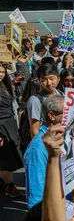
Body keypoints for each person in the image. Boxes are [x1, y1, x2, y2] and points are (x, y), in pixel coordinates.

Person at [23, 96, 65, 208]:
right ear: (52, 115)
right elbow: (36, 196)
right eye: (67, 113)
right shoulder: (37, 149)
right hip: (54, 214)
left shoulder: (64, 137)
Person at [0, 63, 23, 198]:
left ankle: (3, 182)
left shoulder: (5, 85)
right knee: (5, 156)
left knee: (8, 154)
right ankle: (9, 184)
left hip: (9, 123)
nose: (1, 74)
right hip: (1, 125)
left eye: (2, 72)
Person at [27, 63, 62, 138]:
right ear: (39, 80)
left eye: (52, 79)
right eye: (44, 80)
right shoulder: (35, 100)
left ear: (58, 78)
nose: (49, 83)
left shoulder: (62, 95)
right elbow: (34, 131)